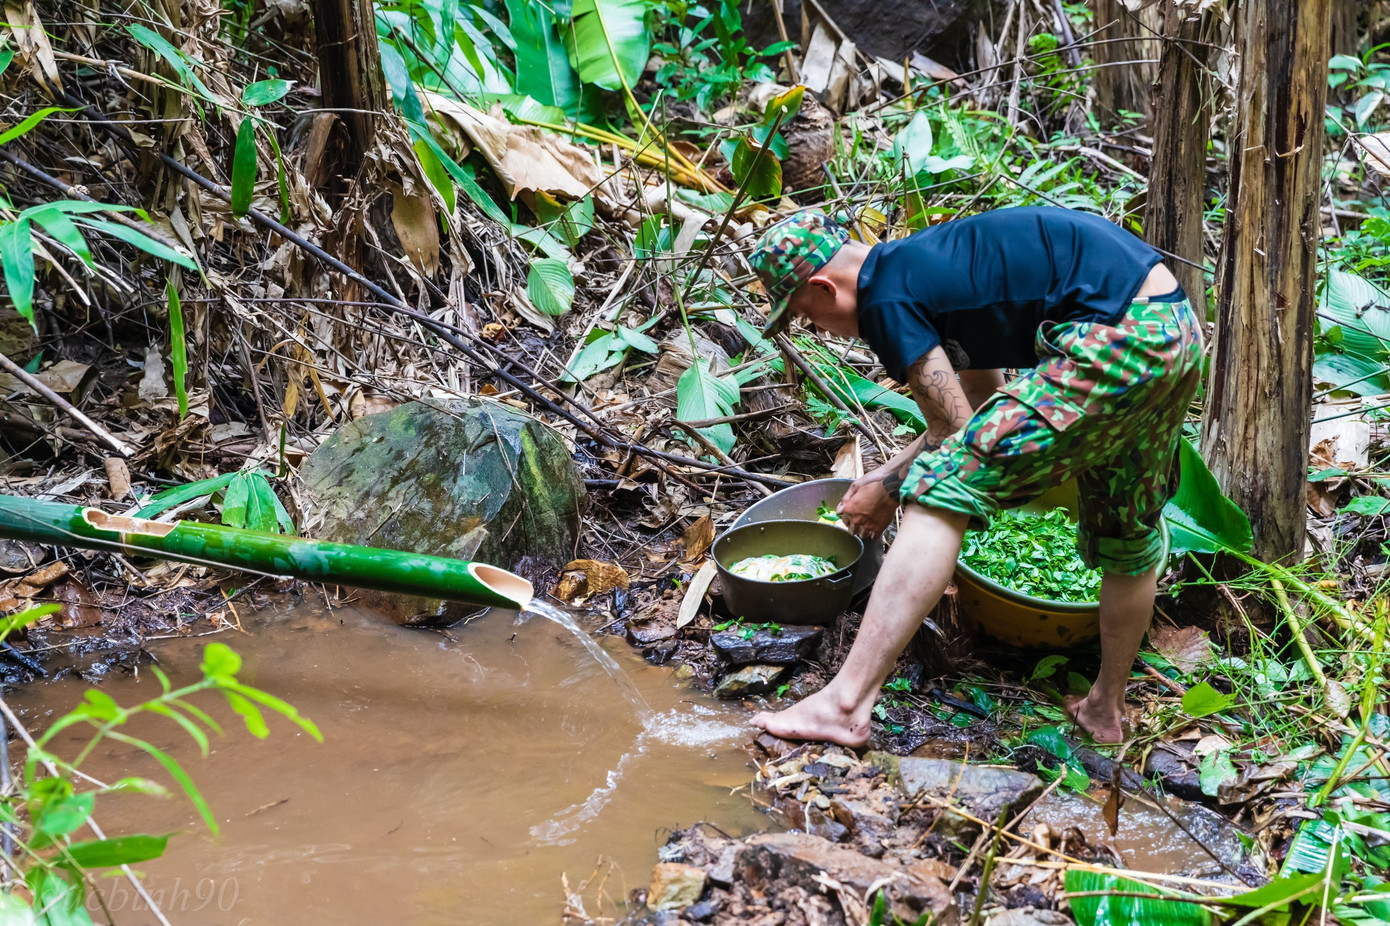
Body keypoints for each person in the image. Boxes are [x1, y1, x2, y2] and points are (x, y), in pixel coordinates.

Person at [744, 206, 1202, 746]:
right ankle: (1105, 709)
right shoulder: (930, 268)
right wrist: (890, 472)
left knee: (936, 493)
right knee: (1127, 531)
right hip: (1173, 331)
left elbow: (950, 441)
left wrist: (891, 490)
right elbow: (974, 408)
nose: (817, 328)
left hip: (1113, 340)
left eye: (806, 315)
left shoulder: (885, 299)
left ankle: (844, 704)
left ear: (824, 288)